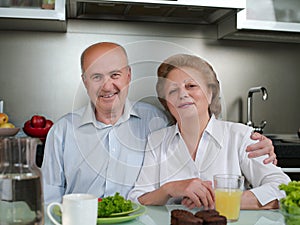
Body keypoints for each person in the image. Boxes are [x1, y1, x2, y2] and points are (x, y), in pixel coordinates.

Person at [41, 42, 277, 205]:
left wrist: (250, 142)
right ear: (84, 81)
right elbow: (48, 198)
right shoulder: (62, 131)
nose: (106, 86)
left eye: (115, 75)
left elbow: (200, 120)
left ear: (128, 76)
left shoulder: (154, 121)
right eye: (96, 77)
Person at [128, 54, 290, 210]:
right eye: (172, 91)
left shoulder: (240, 136)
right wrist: (170, 189)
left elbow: (283, 188)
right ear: (166, 103)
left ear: (211, 93)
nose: (183, 94)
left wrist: (221, 200)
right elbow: (137, 199)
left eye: (191, 86)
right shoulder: (157, 140)